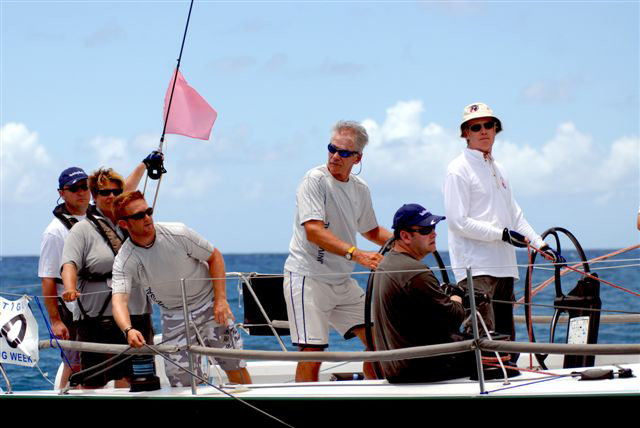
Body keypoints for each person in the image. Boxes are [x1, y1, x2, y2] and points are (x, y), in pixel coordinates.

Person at [283, 120, 392, 382]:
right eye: (332, 149)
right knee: (312, 350)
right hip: (308, 278)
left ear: (358, 157)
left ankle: (374, 394)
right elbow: (314, 231)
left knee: (380, 342)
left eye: (344, 153)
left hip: (341, 281)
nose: (335, 156)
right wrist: (358, 254)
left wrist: (408, 244)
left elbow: (372, 231)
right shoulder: (314, 180)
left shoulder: (360, 188)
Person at [443, 102, 562, 342]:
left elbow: (515, 215)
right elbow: (458, 222)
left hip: (505, 267)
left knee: (507, 339)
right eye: (476, 127)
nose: (484, 131)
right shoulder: (458, 169)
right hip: (476, 268)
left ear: (496, 128)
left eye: (489, 125)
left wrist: (541, 245)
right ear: (466, 133)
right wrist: (502, 234)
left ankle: (509, 376)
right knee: (483, 338)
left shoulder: (500, 168)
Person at [110, 191, 252, 387]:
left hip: (210, 305)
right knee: (182, 381)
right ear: (124, 224)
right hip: (174, 315)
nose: (147, 218)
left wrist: (221, 300)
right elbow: (119, 301)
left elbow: (214, 256)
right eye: (138, 215)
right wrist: (128, 330)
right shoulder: (125, 259)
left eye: (148, 211)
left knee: (235, 365)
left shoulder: (178, 232)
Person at [61, 166, 152, 388]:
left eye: (116, 191)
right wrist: (69, 287)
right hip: (98, 318)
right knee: (94, 381)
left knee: (139, 380)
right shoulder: (82, 229)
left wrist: (144, 166)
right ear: (95, 196)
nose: (111, 196)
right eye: (104, 192)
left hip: (137, 314)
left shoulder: (132, 223)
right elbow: (69, 263)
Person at [372, 203, 472, 383]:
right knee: (497, 352)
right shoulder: (415, 272)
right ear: (405, 236)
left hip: (395, 367)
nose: (434, 233)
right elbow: (453, 318)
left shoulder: (386, 264)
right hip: (421, 368)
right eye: (426, 230)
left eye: (433, 228)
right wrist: (457, 296)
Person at [38, 167, 90, 388]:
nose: (81, 192)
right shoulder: (54, 232)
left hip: (99, 305)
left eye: (85, 186)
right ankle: (64, 395)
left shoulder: (98, 218)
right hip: (71, 310)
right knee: (74, 363)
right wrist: (55, 320)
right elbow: (48, 278)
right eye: (74, 188)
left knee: (104, 360)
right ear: (62, 192)